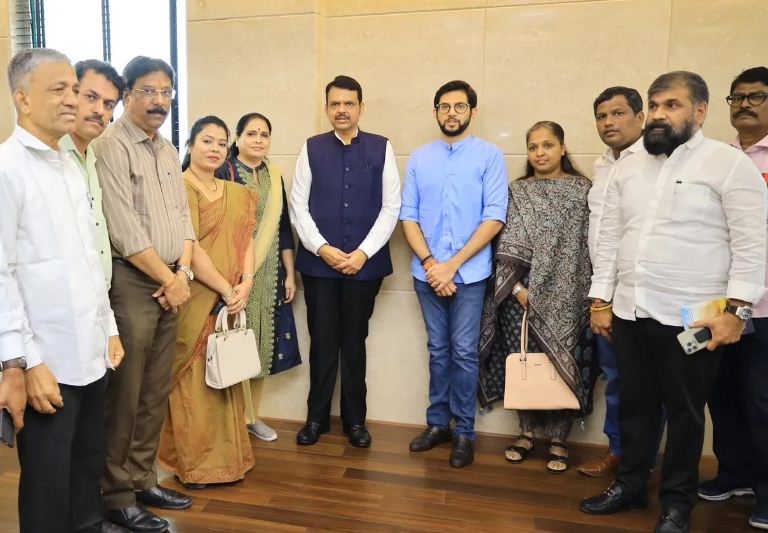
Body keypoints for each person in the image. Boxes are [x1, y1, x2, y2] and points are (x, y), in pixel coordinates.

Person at [581, 71, 766, 533]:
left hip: (693, 317)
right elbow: (609, 238)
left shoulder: (727, 163)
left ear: (699, 111)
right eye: (655, 105)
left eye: (672, 105)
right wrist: (600, 299)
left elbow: (753, 244)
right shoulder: (628, 167)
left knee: (685, 413)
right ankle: (629, 486)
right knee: (635, 407)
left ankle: (678, 504)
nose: (659, 114)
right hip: (631, 310)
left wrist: (738, 313)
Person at [0, 48, 123, 533]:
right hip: (46, 362)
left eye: (74, 88)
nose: (73, 99)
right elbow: (2, 274)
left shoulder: (71, 166)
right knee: (48, 488)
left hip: (91, 352)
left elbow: (89, 258)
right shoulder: (7, 168)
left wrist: (109, 328)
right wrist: (22, 363)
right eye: (60, 90)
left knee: (86, 471)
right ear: (22, 98)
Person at [92, 56, 195, 532]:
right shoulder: (110, 145)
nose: (159, 101)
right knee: (126, 393)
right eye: (148, 91)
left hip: (173, 280)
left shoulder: (168, 149)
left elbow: (183, 218)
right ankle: (115, 495)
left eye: (166, 92)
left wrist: (183, 273)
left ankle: (142, 478)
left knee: (155, 390)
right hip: (134, 282)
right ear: (127, 94)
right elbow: (124, 228)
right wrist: (169, 280)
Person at [401, 80, 508, 468]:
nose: (451, 113)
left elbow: (494, 217)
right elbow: (408, 217)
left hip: (470, 274)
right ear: (436, 112)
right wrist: (433, 265)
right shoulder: (420, 158)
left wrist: (452, 265)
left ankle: (464, 432)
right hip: (427, 274)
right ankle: (437, 424)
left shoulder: (489, 156)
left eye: (459, 107)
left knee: (463, 352)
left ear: (472, 112)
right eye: (444, 107)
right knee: (438, 350)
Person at [479, 121, 596, 474]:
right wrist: (518, 290)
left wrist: (566, 290)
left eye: (547, 145)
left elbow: (585, 248)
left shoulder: (582, 190)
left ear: (563, 148)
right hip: (522, 294)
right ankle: (526, 433)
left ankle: (560, 439)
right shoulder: (518, 191)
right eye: (533, 147)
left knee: (563, 362)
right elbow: (505, 244)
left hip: (570, 294)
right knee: (523, 360)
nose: (540, 153)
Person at [290, 75, 401, 447]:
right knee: (322, 341)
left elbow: (391, 207)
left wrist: (363, 253)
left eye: (349, 103)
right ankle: (315, 419)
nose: (342, 110)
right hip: (319, 265)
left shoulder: (382, 148)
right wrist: (321, 247)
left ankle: (356, 421)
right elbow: (298, 206)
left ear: (361, 108)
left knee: (354, 342)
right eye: (335, 104)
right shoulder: (311, 148)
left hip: (364, 267)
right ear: (326, 108)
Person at [158, 116, 257, 487]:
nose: (214, 148)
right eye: (206, 141)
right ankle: (195, 465)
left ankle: (230, 459)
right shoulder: (179, 188)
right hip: (195, 297)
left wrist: (246, 283)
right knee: (193, 382)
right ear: (190, 145)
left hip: (231, 299)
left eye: (221, 143)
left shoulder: (236, 192)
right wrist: (226, 290)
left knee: (224, 373)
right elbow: (192, 249)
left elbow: (246, 239)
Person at [699, 66, 768, 531]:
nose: (744, 104)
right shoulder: (718, 158)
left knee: (762, 400)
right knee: (719, 395)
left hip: (764, 304)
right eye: (737, 97)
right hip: (716, 306)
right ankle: (733, 473)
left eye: (756, 96)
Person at [215, 112, 302, 442]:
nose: (258, 140)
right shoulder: (225, 170)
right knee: (230, 344)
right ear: (237, 138)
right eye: (251, 133)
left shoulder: (274, 176)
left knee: (260, 344)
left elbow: (283, 228)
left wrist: (289, 274)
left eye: (264, 134)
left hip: (270, 275)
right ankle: (226, 421)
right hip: (231, 273)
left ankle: (251, 417)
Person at [577, 86, 646, 478]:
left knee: (643, 383)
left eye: (618, 113)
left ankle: (639, 460)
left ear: (640, 117)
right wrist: (599, 297)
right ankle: (620, 451)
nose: (609, 122)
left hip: (641, 294)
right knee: (616, 377)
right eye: (602, 116)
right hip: (604, 291)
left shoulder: (656, 161)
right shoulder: (603, 164)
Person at [59, 59, 125, 286]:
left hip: (99, 294)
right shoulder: (47, 158)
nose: (99, 110)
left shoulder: (92, 158)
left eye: (109, 105)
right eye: (91, 97)